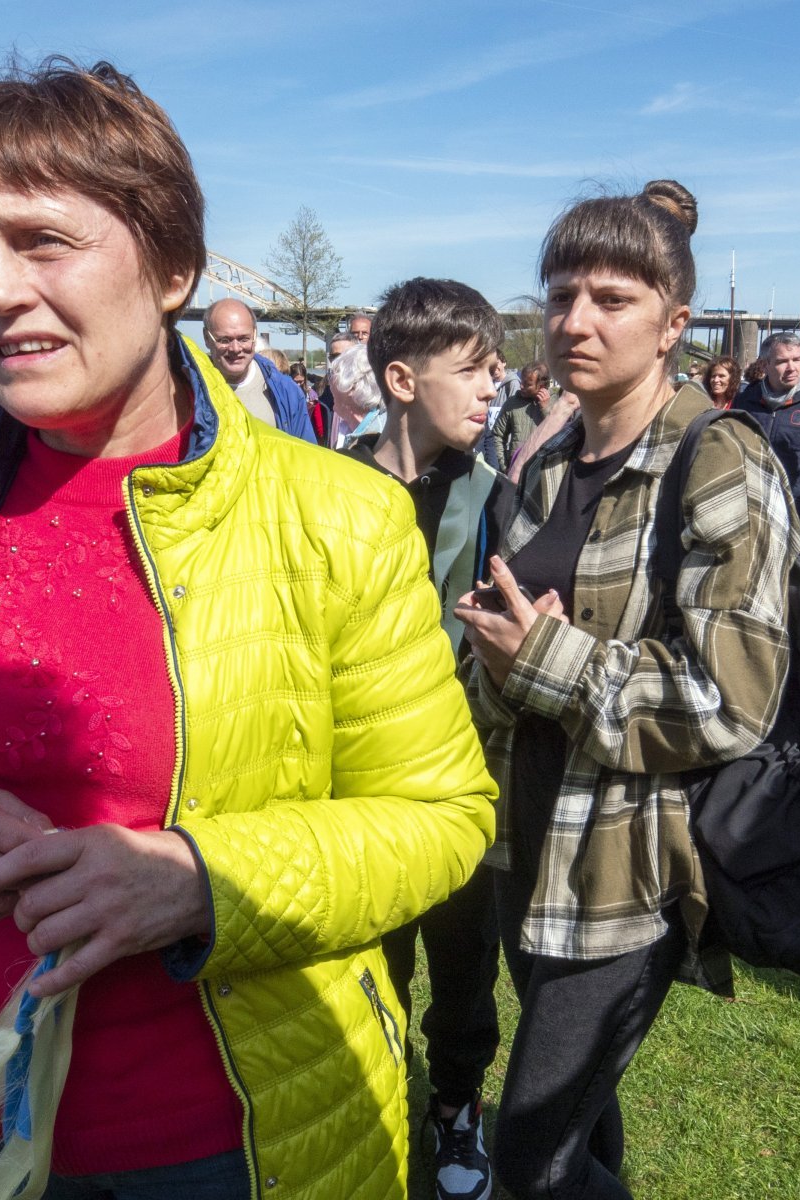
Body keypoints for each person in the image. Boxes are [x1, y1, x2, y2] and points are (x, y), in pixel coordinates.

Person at [0, 59, 493, 1200]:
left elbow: (442, 818)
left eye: (44, 241)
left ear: (171, 267)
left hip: (241, 1143)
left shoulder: (338, 516)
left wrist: (203, 882)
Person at [455, 180, 797, 1200]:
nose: (575, 321)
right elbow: (512, 647)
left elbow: (732, 699)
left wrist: (545, 661)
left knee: (529, 1162)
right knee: (581, 1128)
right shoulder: (549, 461)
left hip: (628, 870)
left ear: (673, 324)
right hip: (525, 845)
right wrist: (490, 657)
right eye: (560, 295)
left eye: (611, 298)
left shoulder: (718, 458)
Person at [342, 277, 505, 1200]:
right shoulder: (322, 489)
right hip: (353, 787)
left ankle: (455, 1106)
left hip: (458, 778)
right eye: (473, 372)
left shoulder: (493, 495)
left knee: (463, 957)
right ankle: (372, 1098)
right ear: (401, 380)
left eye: (497, 373)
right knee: (370, 957)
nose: (494, 389)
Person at [733, 330, 800, 532]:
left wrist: (799, 506)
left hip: (794, 511)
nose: (792, 368)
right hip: (749, 507)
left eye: (798, 359)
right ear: (765, 364)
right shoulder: (746, 399)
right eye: (782, 361)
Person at [200, 298, 319, 440]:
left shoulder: (287, 391)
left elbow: (305, 454)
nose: (236, 348)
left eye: (244, 339)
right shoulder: (188, 390)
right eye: (224, 340)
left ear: (255, 335)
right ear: (207, 338)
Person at [483, 363, 549, 472]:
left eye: (527, 384)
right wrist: (504, 466)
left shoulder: (556, 403)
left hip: (541, 472)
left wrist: (546, 410)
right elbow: (497, 435)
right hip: (515, 471)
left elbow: (560, 434)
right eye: (521, 381)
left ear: (541, 386)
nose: (521, 386)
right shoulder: (512, 403)